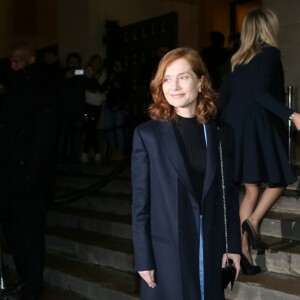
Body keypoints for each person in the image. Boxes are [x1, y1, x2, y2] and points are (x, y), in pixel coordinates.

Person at [131, 47, 241, 300]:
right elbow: (140, 204)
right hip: (166, 253)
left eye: (183, 77)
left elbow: (228, 194)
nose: (174, 86)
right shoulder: (147, 135)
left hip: (210, 249)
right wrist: (143, 257)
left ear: (201, 81)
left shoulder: (221, 133)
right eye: (167, 79)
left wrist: (232, 245)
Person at [218, 8, 300, 275]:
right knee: (281, 179)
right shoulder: (271, 54)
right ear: (268, 27)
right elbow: (263, 94)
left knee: (251, 189)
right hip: (257, 126)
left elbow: (224, 99)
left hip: (234, 127)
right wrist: (292, 114)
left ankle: (244, 255)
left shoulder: (237, 60)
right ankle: (252, 222)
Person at [0, 41, 57, 300]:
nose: (12, 65)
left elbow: (42, 139)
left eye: (16, 61)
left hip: (29, 178)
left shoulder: (40, 87)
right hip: (11, 176)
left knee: (30, 235)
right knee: (15, 233)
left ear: (31, 59)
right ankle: (25, 280)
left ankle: (32, 283)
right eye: (11, 61)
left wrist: (29, 177)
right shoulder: (14, 88)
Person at [81, 54, 108, 164]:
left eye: (99, 61)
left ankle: (85, 153)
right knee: (91, 128)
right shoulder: (84, 71)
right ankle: (96, 153)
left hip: (97, 105)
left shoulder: (103, 73)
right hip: (87, 104)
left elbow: (101, 88)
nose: (96, 64)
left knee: (91, 128)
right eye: (94, 61)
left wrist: (93, 77)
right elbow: (76, 73)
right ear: (91, 62)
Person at [104, 59, 132, 160]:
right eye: (115, 65)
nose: (116, 67)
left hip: (120, 107)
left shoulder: (125, 76)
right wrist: (109, 80)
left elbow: (126, 90)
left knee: (119, 130)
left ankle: (120, 153)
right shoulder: (110, 76)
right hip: (109, 106)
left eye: (118, 65)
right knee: (109, 130)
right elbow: (103, 88)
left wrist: (116, 83)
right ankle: (114, 152)